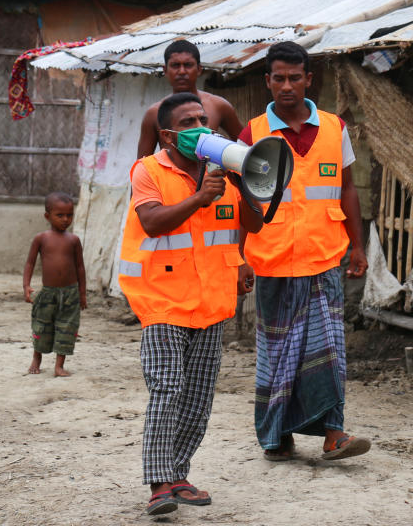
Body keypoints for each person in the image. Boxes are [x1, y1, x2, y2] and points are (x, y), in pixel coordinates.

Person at [119, 92, 263, 516]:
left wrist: (247, 185)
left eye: (204, 119)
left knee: (198, 396)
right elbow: (151, 221)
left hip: (212, 301)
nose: (201, 127)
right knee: (167, 387)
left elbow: (250, 224)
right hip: (161, 299)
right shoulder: (148, 170)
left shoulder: (222, 172)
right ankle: (159, 483)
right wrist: (201, 197)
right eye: (188, 123)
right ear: (167, 135)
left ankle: (179, 473)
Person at [239, 41, 369, 462]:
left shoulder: (335, 128)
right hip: (273, 260)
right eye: (279, 78)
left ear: (309, 80)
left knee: (328, 350)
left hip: (324, 259)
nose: (287, 86)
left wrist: (358, 247)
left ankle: (334, 433)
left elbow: (348, 190)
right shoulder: (253, 134)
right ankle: (277, 435)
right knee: (278, 355)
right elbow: (239, 202)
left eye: (295, 77)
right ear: (267, 81)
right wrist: (238, 257)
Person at [137, 40, 243, 158]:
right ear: (165, 70)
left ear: (199, 69)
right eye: (175, 65)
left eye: (188, 65)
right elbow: (142, 164)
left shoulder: (218, 106)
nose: (182, 71)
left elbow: (245, 149)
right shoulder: (154, 113)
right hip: (171, 176)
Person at [22, 192, 87, 378]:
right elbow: (30, 263)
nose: (65, 219)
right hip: (48, 293)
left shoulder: (73, 240)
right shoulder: (41, 238)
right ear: (47, 216)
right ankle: (37, 358)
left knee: (67, 328)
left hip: (70, 294)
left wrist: (82, 293)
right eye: (60, 215)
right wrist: (26, 286)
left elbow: (80, 268)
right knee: (42, 325)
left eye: (69, 215)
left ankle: (59, 366)